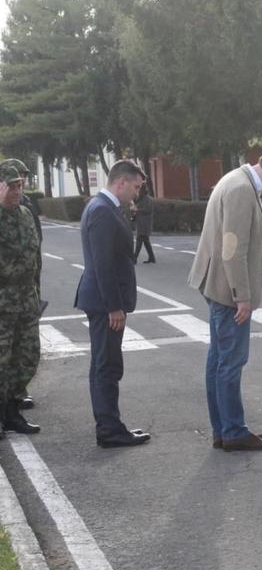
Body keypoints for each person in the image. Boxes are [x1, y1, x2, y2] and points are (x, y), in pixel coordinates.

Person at [188, 148, 262, 452]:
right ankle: (233, 431)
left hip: (217, 286)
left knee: (218, 360)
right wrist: (242, 296)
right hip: (227, 291)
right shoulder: (240, 189)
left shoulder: (235, 180)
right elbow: (232, 248)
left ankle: (223, 429)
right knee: (230, 362)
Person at [75, 160, 150, 448]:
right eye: (135, 187)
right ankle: (109, 429)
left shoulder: (103, 208)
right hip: (105, 302)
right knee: (107, 366)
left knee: (103, 364)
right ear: (121, 182)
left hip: (103, 299)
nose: (136, 193)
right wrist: (114, 307)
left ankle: (109, 425)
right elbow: (104, 264)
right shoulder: (103, 211)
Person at [0, 159, 42, 436]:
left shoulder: (26, 214)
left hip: (27, 298)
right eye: (11, 186)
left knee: (27, 357)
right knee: (2, 360)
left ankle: (12, 408)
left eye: (19, 185)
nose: (17, 191)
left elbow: (35, 255)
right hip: (3, 301)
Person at [132, 184, 155, 264]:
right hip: (140, 223)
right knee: (145, 241)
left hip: (145, 223)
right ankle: (152, 257)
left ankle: (134, 258)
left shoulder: (148, 199)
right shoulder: (140, 199)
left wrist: (137, 210)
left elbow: (147, 210)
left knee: (139, 240)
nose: (138, 192)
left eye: (139, 190)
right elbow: (135, 202)